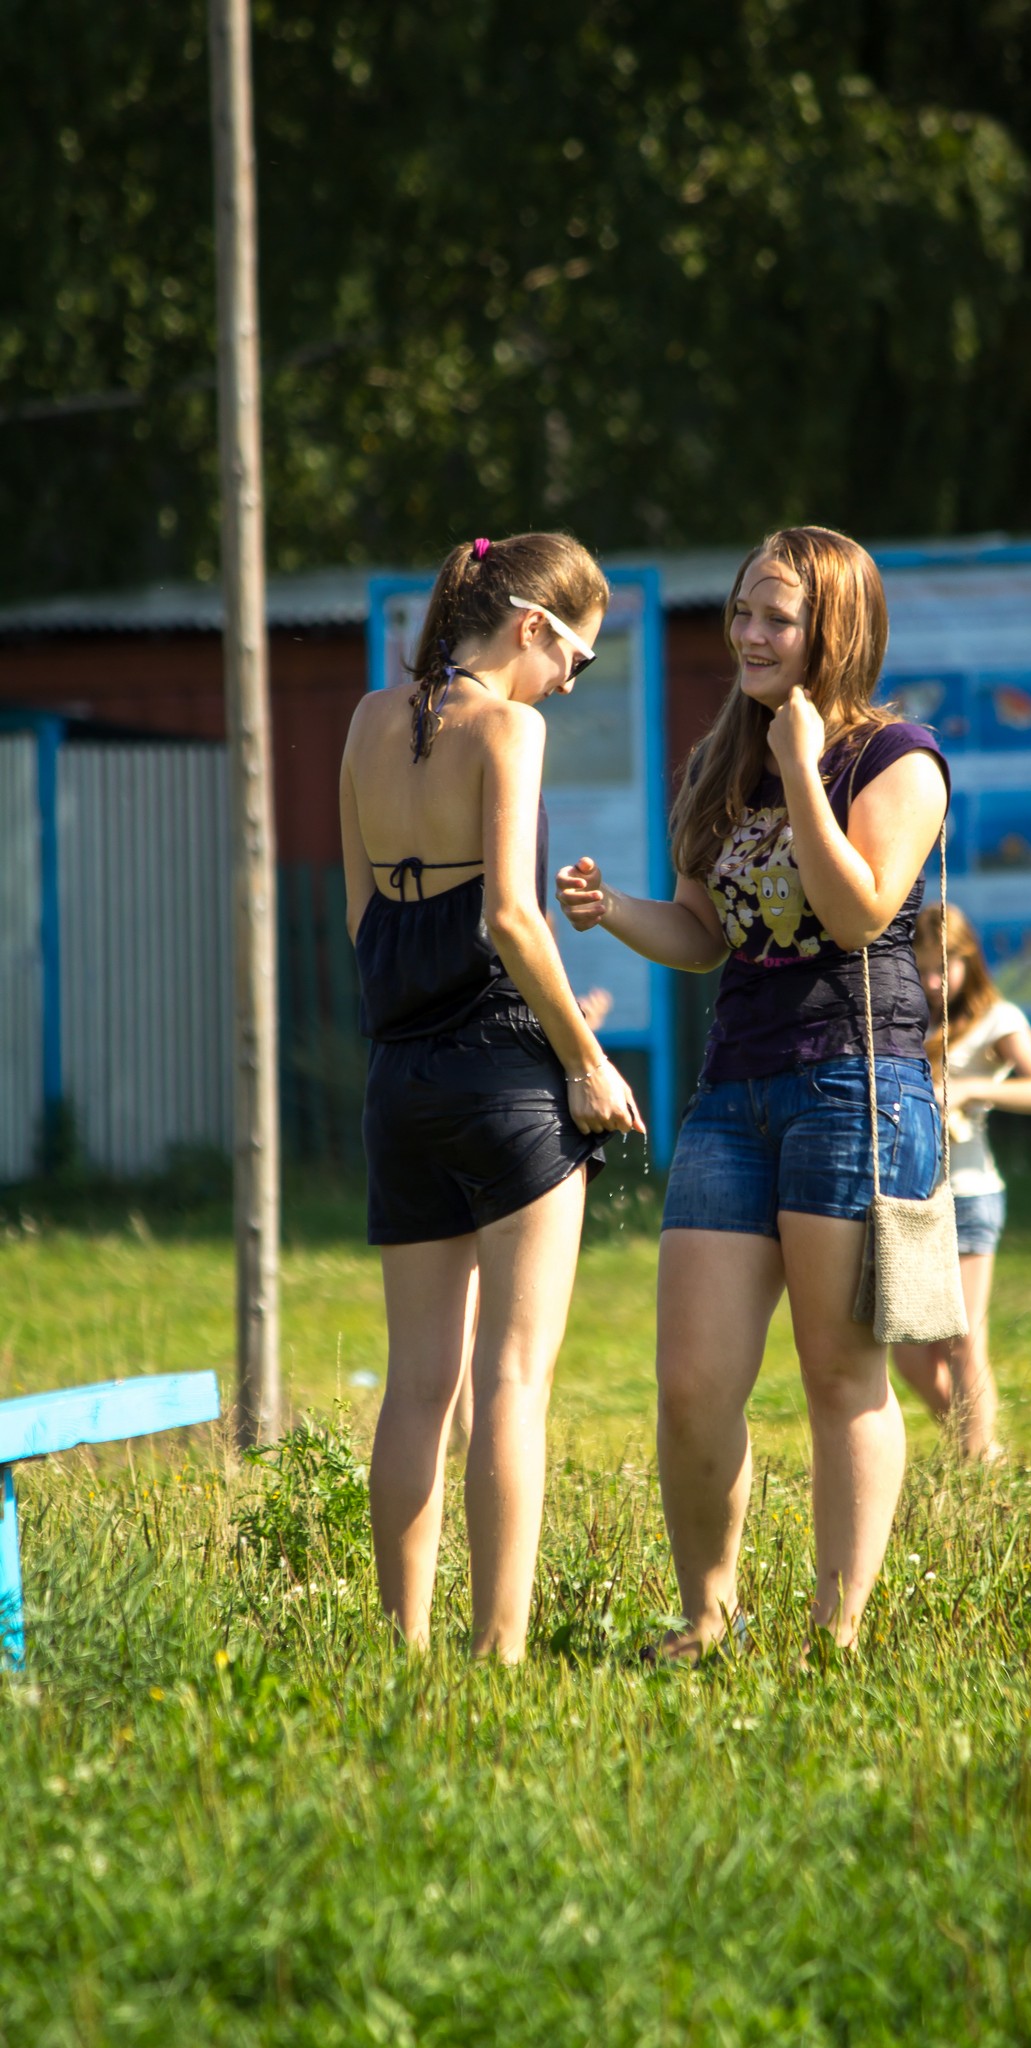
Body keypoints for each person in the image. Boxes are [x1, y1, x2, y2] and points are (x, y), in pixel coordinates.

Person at [557, 525, 949, 1656]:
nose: (749, 634)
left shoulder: (899, 758)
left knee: (840, 1375)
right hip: (733, 1094)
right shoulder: (716, 763)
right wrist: (611, 911)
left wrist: (803, 766)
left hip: (857, 1087)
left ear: (836, 628)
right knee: (691, 1384)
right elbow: (703, 935)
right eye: (741, 612)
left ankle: (837, 1630)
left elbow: (858, 911)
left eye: (777, 616)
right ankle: (705, 1618)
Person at [339, 531, 644, 1660]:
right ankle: (498, 1654)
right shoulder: (512, 729)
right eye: (578, 657)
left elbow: (366, 922)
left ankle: (403, 1649)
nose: (569, 681)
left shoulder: (366, 722)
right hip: (508, 1081)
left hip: (398, 1082)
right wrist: (586, 1058)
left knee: (417, 1386)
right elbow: (512, 917)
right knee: (512, 1378)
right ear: (531, 627)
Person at [890, 902, 1031, 1461]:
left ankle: (976, 1460)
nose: (933, 981)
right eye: (920, 968)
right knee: (909, 1353)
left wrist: (970, 1090)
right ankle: (978, 1449)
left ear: (970, 959)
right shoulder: (902, 1021)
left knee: (964, 1337)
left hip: (969, 1196)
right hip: (910, 1200)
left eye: (944, 966)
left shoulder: (998, 1020)